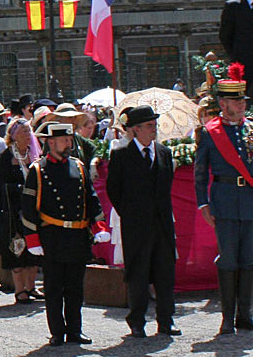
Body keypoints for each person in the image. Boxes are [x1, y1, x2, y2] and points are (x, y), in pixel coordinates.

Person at [22, 123, 110, 346]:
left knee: (75, 288)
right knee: (53, 288)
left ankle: (75, 329)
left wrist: (99, 227)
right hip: (52, 236)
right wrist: (32, 239)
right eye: (63, 140)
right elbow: (28, 207)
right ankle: (57, 332)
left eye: (69, 139)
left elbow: (91, 199)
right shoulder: (38, 170)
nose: (68, 143)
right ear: (50, 142)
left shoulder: (78, 167)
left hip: (77, 236)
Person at [106, 104, 180, 337]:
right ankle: (137, 320)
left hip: (162, 225)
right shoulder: (121, 155)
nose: (153, 130)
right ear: (135, 129)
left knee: (165, 274)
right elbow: (113, 190)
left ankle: (166, 320)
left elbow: (167, 185)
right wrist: (130, 213)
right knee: (138, 274)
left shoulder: (164, 152)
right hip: (136, 226)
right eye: (149, 126)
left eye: (154, 125)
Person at [194, 64, 253, 334]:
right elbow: (200, 173)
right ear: (222, 103)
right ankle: (227, 317)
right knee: (228, 260)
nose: (241, 105)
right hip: (225, 203)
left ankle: (245, 314)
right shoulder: (210, 132)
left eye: (242, 100)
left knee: (249, 260)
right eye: (235, 100)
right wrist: (203, 204)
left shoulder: (250, 129)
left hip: (250, 202)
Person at [0, 119, 42, 303]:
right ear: (13, 135)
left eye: (29, 130)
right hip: (13, 211)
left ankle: (31, 286)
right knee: (17, 248)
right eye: (23, 131)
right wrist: (20, 188)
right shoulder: (5, 158)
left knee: (33, 249)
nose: (27, 134)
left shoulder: (35, 155)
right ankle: (19, 289)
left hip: (32, 209)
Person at [219, 0, 253, 96]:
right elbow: (225, 36)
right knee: (242, 97)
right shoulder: (233, 6)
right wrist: (236, 56)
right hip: (242, 64)